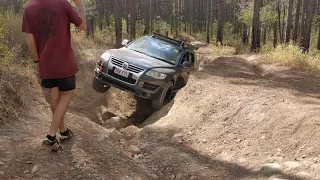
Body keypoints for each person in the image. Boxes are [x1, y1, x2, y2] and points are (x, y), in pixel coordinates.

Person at [22, 0, 87, 151]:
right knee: (66, 95)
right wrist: (81, 5)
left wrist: (36, 60)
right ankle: (51, 136)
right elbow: (83, 26)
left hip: (45, 61)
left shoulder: (29, 8)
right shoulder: (62, 3)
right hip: (64, 61)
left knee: (54, 93)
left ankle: (63, 132)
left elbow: (30, 39)